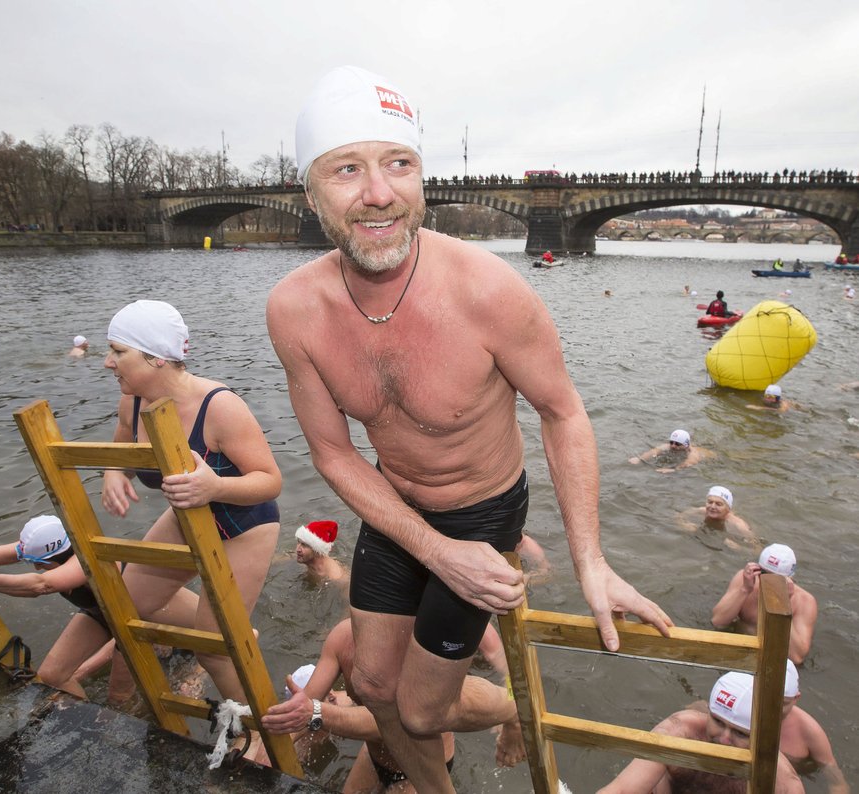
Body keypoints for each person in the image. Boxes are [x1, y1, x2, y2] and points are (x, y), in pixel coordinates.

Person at [265, 65, 671, 791]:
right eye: (346, 170)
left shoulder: (488, 291)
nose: (379, 192)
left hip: (484, 506)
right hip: (395, 509)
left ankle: (513, 705)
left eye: (399, 164)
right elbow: (332, 452)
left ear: (423, 176)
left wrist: (590, 560)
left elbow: (563, 410)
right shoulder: (294, 309)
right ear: (310, 192)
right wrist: (430, 548)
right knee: (374, 688)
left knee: (421, 711)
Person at [100, 299, 281, 704]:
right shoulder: (130, 402)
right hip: (188, 514)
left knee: (213, 650)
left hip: (243, 524)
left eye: (118, 352)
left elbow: (270, 481)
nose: (107, 363)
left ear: (156, 357)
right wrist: (114, 473)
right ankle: (121, 703)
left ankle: (260, 728)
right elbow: (120, 451)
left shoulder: (220, 407)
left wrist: (214, 487)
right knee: (127, 607)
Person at [0, 515, 198, 700]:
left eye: (39, 563)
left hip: (144, 618)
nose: (35, 566)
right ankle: (87, 724)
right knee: (53, 676)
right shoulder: (49, 549)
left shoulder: (86, 558)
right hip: (106, 615)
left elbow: (42, 585)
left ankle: (189, 676)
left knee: (119, 695)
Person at [261, 619, 526, 790]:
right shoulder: (342, 637)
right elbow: (305, 703)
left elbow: (384, 720)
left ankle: (514, 717)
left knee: (489, 699)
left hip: (419, 762)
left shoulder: (411, 641)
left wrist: (316, 712)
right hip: (375, 754)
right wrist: (265, 748)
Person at [599, 671, 804, 793]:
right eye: (717, 721)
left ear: (761, 737)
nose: (724, 739)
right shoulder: (680, 732)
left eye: (741, 734)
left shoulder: (782, 782)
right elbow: (621, 789)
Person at [711, 543, 818, 664]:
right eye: (763, 574)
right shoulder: (746, 580)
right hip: (738, 653)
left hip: (773, 661)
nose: (766, 582)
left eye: (774, 579)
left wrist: (783, 604)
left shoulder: (804, 601)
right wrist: (744, 590)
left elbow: (796, 657)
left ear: (790, 579)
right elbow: (718, 623)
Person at [781, 661, 850, 792]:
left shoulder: (809, 730)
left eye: (783, 704)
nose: (775, 709)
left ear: (796, 698)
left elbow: (837, 782)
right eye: (769, 701)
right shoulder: (742, 714)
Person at [677, 485, 757, 550]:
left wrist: (738, 548)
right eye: (710, 502)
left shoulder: (739, 524)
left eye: (718, 504)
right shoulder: (703, 510)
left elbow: (757, 549)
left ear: (728, 508)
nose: (712, 506)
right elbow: (679, 516)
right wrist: (684, 525)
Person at [628, 428, 714, 472]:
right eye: (671, 442)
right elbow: (654, 451)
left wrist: (674, 469)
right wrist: (639, 459)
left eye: (677, 444)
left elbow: (689, 463)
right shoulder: (668, 446)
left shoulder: (693, 453)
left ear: (686, 445)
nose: (673, 446)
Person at [295, 519, 348, 584]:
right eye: (298, 542)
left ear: (317, 551)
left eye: (304, 545)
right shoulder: (306, 558)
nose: (298, 549)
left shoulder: (333, 577)